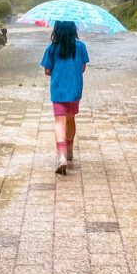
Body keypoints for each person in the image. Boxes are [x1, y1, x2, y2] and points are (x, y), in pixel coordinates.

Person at [40, 20, 89, 175]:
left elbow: (47, 71)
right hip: (74, 90)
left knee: (59, 122)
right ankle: (69, 151)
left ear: (57, 29)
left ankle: (61, 157)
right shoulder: (81, 46)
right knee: (70, 119)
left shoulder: (52, 48)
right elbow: (82, 68)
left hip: (58, 91)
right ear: (73, 29)